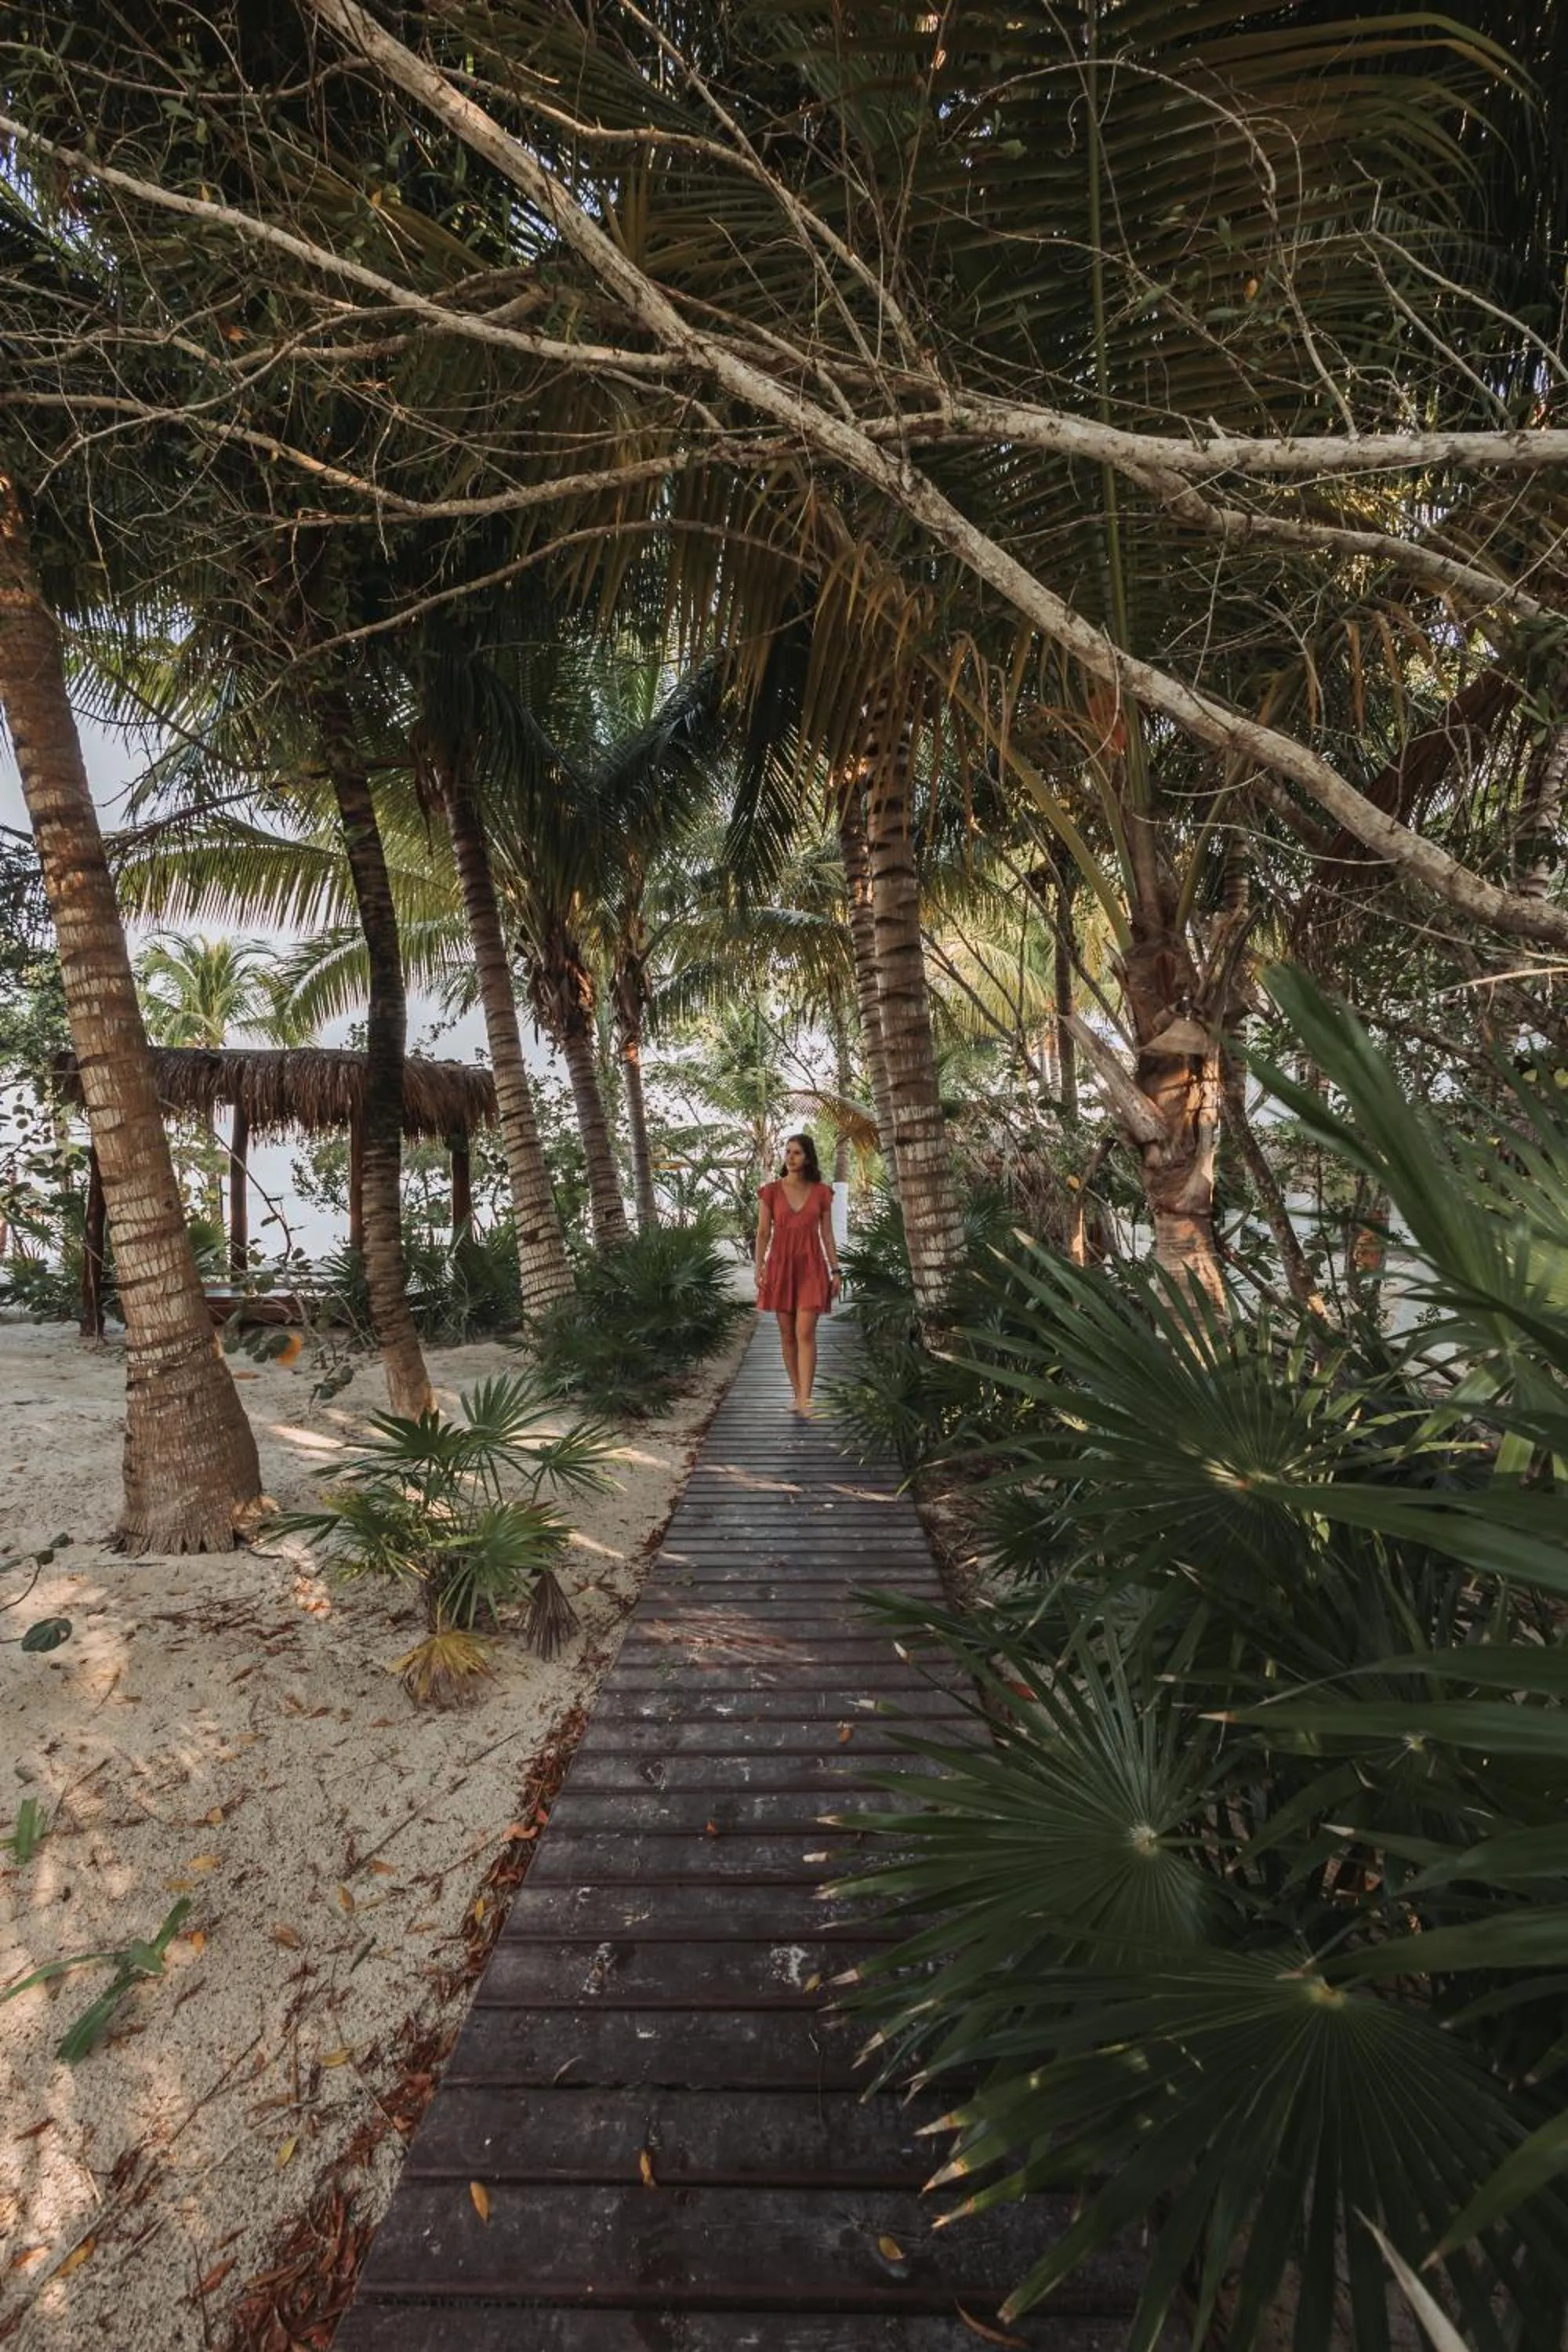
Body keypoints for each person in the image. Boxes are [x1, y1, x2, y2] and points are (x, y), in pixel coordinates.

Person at [754, 1134, 841, 1415]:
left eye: (797, 1153)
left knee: (805, 1332)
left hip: (811, 1268)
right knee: (787, 1335)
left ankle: (806, 1399)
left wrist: (836, 1270)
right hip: (780, 1266)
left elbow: (827, 1235)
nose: (790, 1158)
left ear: (808, 1158)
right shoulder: (770, 1191)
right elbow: (763, 1233)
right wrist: (759, 1266)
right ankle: (797, 1394)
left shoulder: (821, 1192)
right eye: (788, 1152)